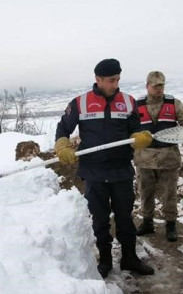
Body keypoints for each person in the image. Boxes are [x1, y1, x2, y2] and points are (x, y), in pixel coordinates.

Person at [55, 58, 156, 278]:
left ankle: (130, 258)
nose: (115, 84)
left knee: (125, 218)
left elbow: (135, 130)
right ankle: (106, 260)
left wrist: (138, 138)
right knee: (100, 220)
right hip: (94, 173)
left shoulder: (128, 102)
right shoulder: (81, 103)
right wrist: (62, 144)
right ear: (98, 79)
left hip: (121, 171)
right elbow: (63, 128)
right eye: (111, 80)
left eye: (118, 79)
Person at [134, 71, 183, 242]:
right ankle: (147, 223)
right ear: (147, 86)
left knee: (169, 194)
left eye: (161, 85)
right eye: (155, 86)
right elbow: (128, 129)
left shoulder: (174, 103)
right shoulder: (136, 105)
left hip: (168, 158)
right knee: (146, 193)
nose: (158, 89)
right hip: (145, 159)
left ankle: (171, 224)